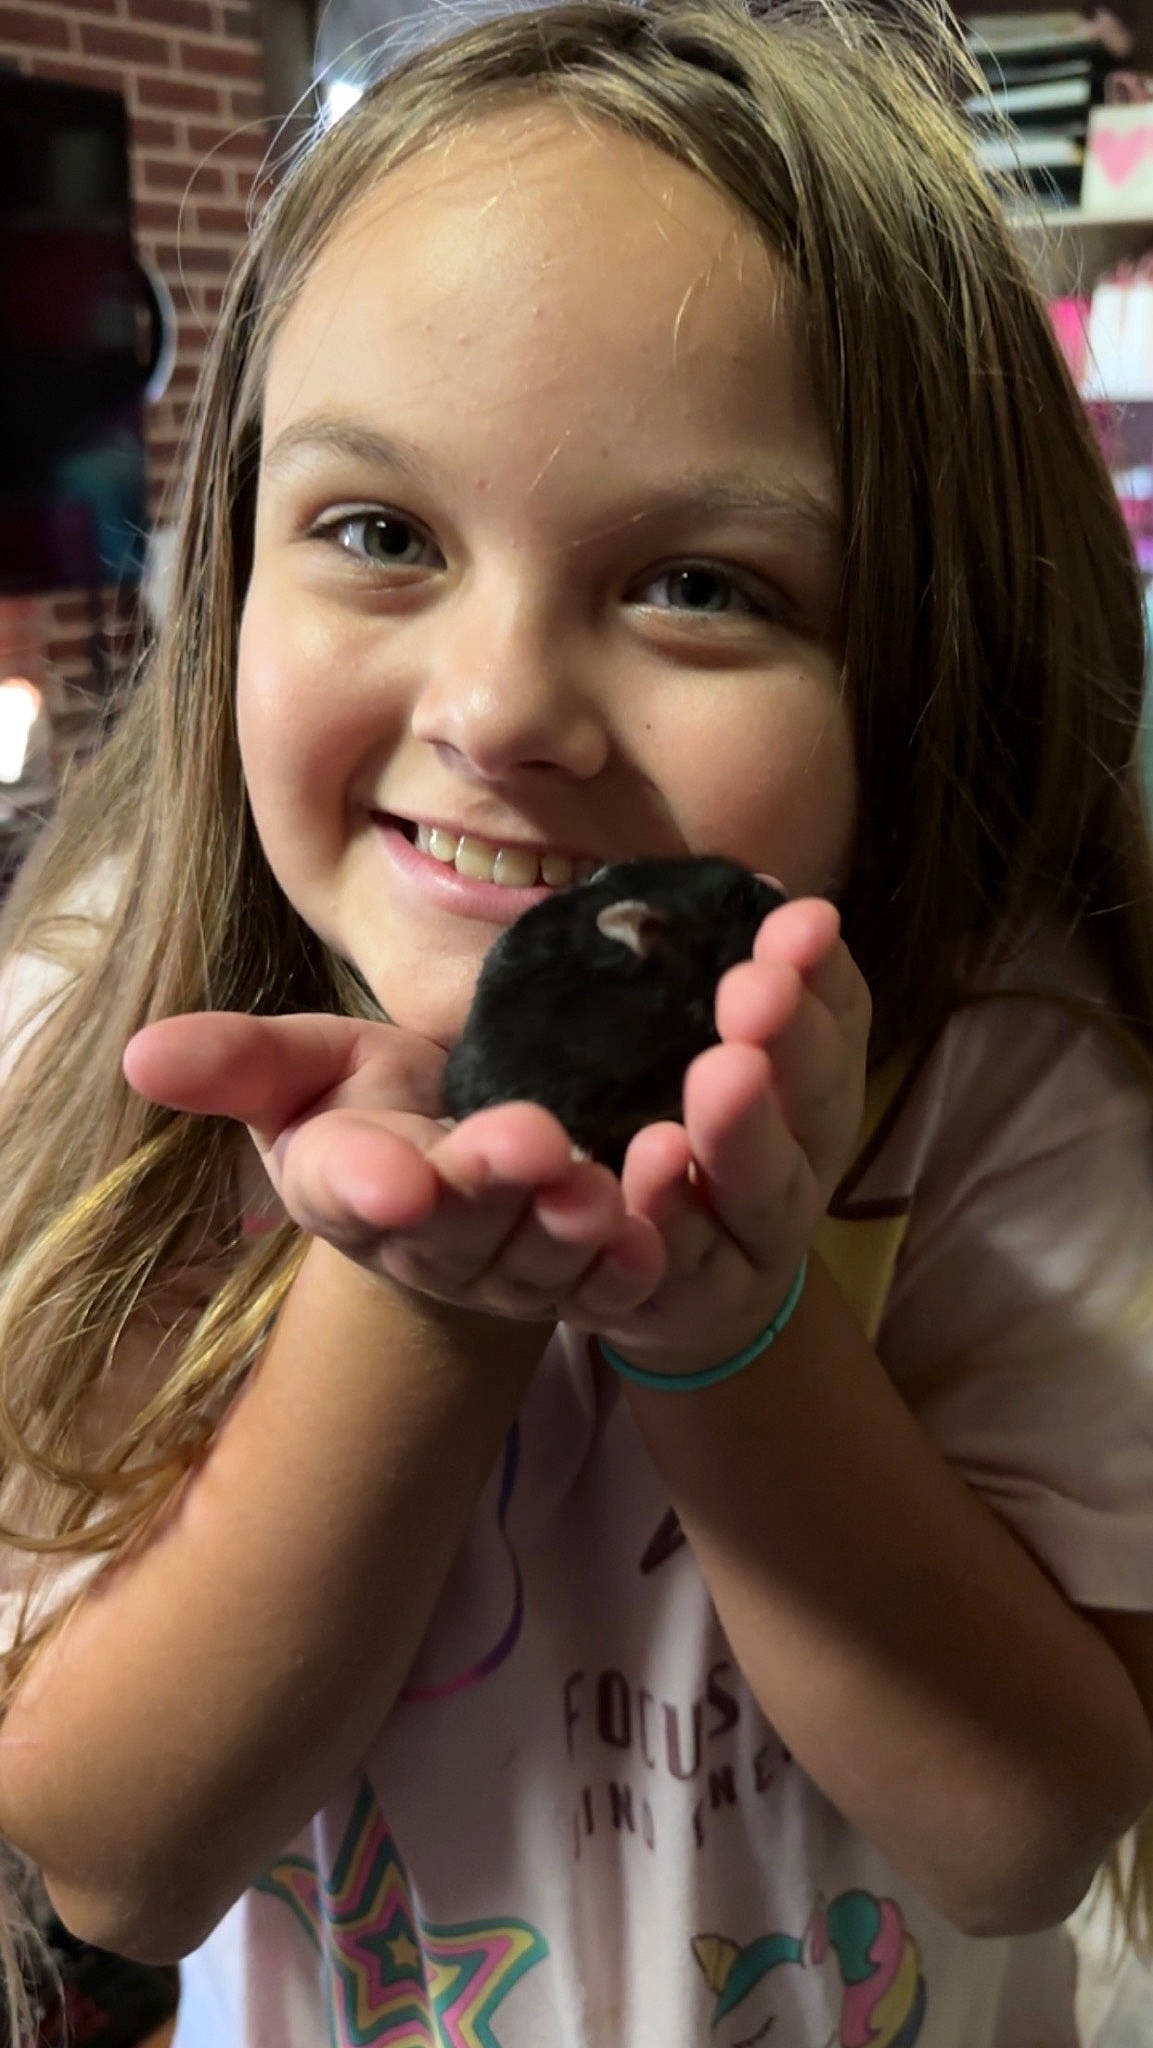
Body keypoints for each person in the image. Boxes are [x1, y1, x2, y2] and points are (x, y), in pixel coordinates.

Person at [0, 2, 1151, 2042]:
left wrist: (728, 1326)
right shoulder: (122, 1032)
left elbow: (1018, 1836)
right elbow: (119, 1862)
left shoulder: (1002, 1085)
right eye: (380, 534)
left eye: (698, 582)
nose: (499, 708)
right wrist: (423, 1301)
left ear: (923, 665)